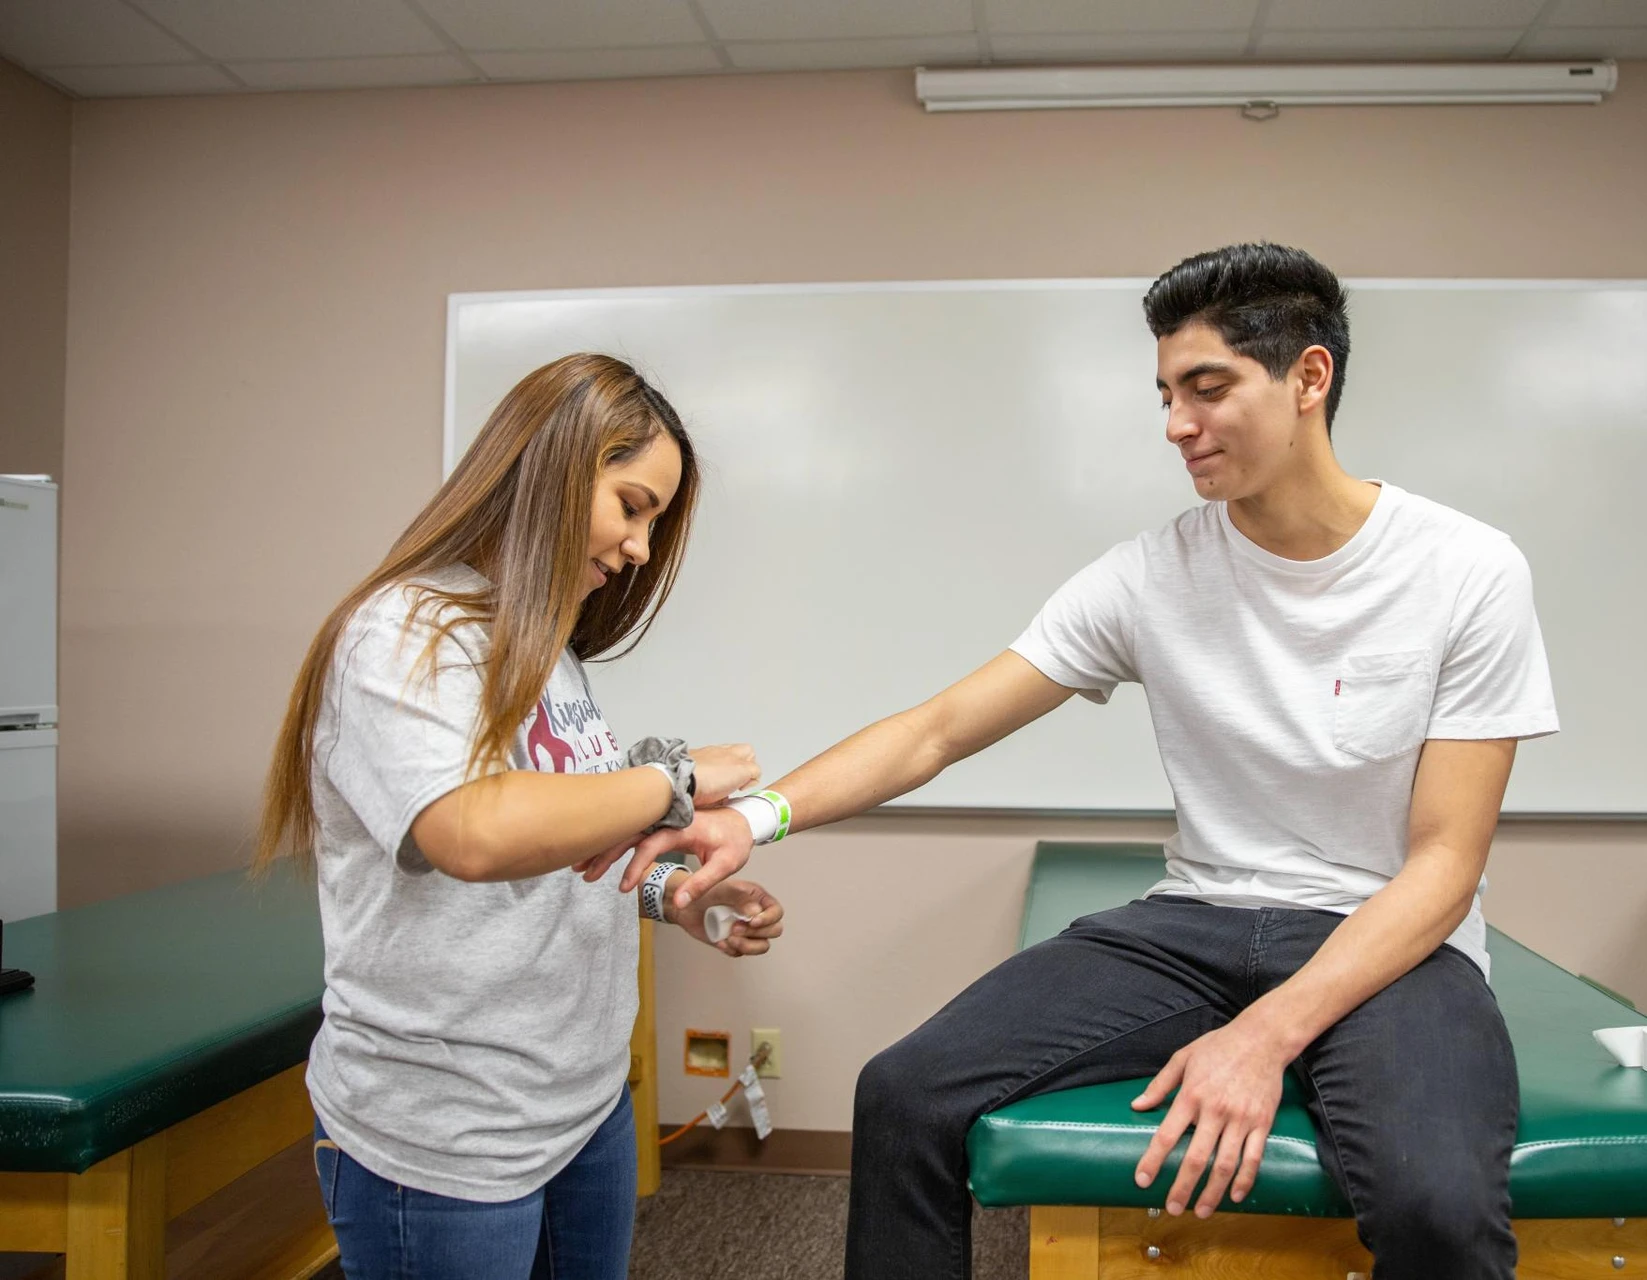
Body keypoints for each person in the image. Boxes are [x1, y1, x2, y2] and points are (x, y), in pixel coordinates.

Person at [595, 243, 1558, 1280]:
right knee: (905, 1093)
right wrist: (757, 816)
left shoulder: (1465, 569)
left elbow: (1444, 864)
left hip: (1394, 942)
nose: (1176, 424)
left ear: (1309, 378)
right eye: (1164, 393)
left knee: (1438, 1202)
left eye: (1207, 387)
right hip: (1201, 922)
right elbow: (938, 727)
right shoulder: (1154, 574)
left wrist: (1264, 1034)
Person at [255, 353, 783, 1279]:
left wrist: (672, 892)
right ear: (551, 468)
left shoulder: (547, 650)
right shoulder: (403, 634)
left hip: (580, 1106)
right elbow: (474, 830)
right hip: (450, 1136)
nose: (639, 551)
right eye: (632, 506)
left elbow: (564, 838)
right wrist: (673, 778)